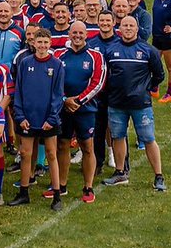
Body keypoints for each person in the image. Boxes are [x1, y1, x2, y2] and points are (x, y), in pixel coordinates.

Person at [102, 16, 167, 192]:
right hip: (116, 103)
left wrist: (145, 89)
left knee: (148, 138)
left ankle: (158, 176)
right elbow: (105, 76)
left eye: (131, 25)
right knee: (118, 137)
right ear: (119, 28)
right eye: (125, 26)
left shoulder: (148, 50)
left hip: (141, 104)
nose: (128, 28)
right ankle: (120, 172)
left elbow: (159, 75)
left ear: (137, 29)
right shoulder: (111, 50)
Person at [9, 28, 65, 211]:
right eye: (39, 42)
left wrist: (52, 117)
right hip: (27, 118)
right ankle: (24, 192)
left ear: (50, 44)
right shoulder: (25, 63)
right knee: (26, 153)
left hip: (48, 119)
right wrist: (20, 116)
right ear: (33, 43)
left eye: (45, 43)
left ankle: (57, 194)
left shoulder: (56, 65)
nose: (41, 46)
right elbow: (18, 92)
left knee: (51, 153)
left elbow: (58, 94)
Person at [56, 21, 107, 203]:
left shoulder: (95, 56)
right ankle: (61, 185)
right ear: (69, 34)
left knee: (87, 146)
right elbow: (54, 81)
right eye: (74, 32)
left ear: (86, 35)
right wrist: (64, 100)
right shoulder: (60, 55)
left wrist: (78, 101)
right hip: (63, 109)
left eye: (80, 33)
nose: (77, 36)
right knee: (62, 145)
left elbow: (98, 82)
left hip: (85, 109)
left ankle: (88, 186)